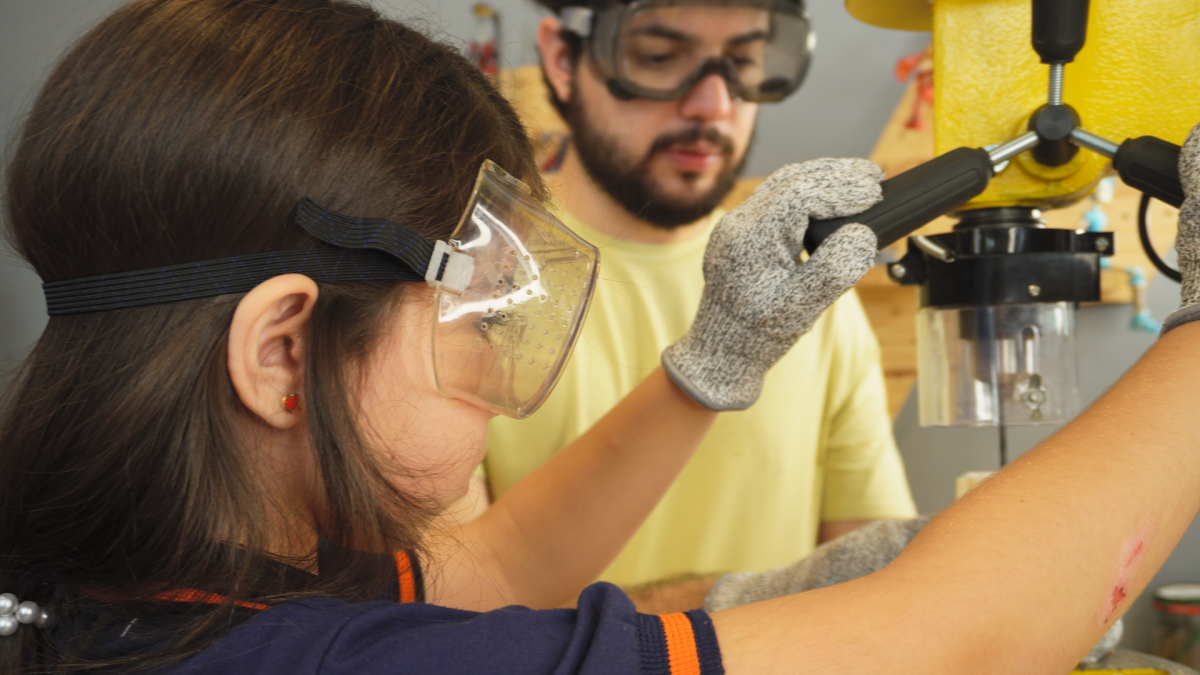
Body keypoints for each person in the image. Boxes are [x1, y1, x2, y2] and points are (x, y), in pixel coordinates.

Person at [4, 1, 1200, 674]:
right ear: (280, 353)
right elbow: (958, 645)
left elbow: (489, 577)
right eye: (471, 313)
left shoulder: (185, 601)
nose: (494, 362)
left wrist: (713, 363)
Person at [481, 0, 917, 589]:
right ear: (564, 59)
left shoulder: (808, 293)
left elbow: (870, 576)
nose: (714, 104)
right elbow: (443, 614)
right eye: (659, 57)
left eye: (744, 61)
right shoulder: (469, 285)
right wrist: (719, 618)